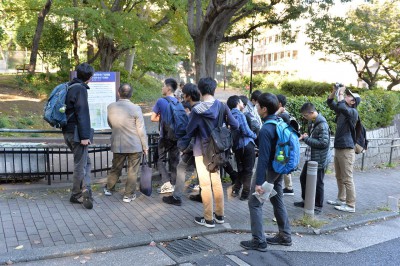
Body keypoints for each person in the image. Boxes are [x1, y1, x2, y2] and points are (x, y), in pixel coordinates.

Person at [183, 77, 239, 228]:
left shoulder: (197, 110)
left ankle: (208, 219)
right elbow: (235, 124)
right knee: (217, 182)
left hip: (201, 150)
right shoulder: (222, 106)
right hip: (217, 150)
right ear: (214, 89)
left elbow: (189, 130)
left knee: (205, 184)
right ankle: (219, 215)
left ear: (200, 91)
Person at [240, 93, 292, 252]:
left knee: (254, 203)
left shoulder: (266, 129)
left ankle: (258, 240)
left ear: (264, 109)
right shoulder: (280, 122)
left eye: (257, 106)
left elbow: (262, 159)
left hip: (269, 169)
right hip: (279, 167)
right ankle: (285, 235)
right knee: (277, 198)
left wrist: (258, 183)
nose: (256, 108)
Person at [103, 84, 148, 203]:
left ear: (119, 93)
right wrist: (145, 146)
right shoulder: (136, 108)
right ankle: (128, 195)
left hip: (118, 143)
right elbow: (141, 130)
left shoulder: (111, 107)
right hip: (134, 144)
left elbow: (110, 123)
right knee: (132, 171)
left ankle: (109, 188)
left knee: (115, 167)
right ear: (131, 94)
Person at [63, 62, 95, 210]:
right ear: (90, 77)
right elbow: (82, 113)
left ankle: (85, 188)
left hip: (68, 131)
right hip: (76, 133)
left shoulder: (70, 86)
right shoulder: (80, 89)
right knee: (80, 164)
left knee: (86, 162)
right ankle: (76, 194)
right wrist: (84, 136)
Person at [163, 83, 200, 206]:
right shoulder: (202, 107)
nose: (183, 95)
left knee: (181, 167)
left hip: (194, 147)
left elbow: (192, 132)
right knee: (200, 170)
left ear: (189, 96)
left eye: (184, 93)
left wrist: (186, 148)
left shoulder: (195, 111)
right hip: (203, 147)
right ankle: (202, 194)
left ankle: (176, 197)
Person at [326, 86, 360, 213]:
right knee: (339, 176)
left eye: (349, 95)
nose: (346, 95)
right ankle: (341, 199)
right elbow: (330, 102)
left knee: (347, 178)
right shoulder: (342, 110)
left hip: (347, 149)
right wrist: (335, 91)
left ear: (353, 102)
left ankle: (351, 205)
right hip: (339, 147)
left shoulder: (352, 112)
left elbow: (340, 106)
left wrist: (340, 93)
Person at [294, 102, 330, 214]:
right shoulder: (314, 122)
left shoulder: (322, 124)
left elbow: (324, 143)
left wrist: (306, 139)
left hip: (319, 159)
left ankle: (318, 205)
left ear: (312, 112)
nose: (305, 118)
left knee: (318, 183)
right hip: (311, 156)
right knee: (303, 178)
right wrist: (307, 136)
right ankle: (306, 201)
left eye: (305, 115)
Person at [151, 78, 180, 194]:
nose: (162, 88)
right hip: (176, 136)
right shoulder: (178, 102)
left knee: (160, 159)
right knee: (174, 160)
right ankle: (173, 183)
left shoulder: (160, 101)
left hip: (165, 136)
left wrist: (162, 117)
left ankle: (166, 183)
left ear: (168, 88)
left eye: (163, 86)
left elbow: (153, 118)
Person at [227, 95, 256, 201]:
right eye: (240, 101)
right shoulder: (240, 114)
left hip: (237, 147)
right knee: (248, 170)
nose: (242, 103)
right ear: (237, 103)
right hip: (246, 145)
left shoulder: (229, 115)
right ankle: (245, 193)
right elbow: (246, 131)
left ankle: (236, 190)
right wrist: (255, 135)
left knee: (240, 169)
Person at [275, 94, 294, 196]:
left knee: (282, 163)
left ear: (279, 104)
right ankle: (289, 187)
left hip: (283, 145)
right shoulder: (285, 114)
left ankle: (289, 187)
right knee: (283, 162)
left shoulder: (283, 115)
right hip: (285, 144)